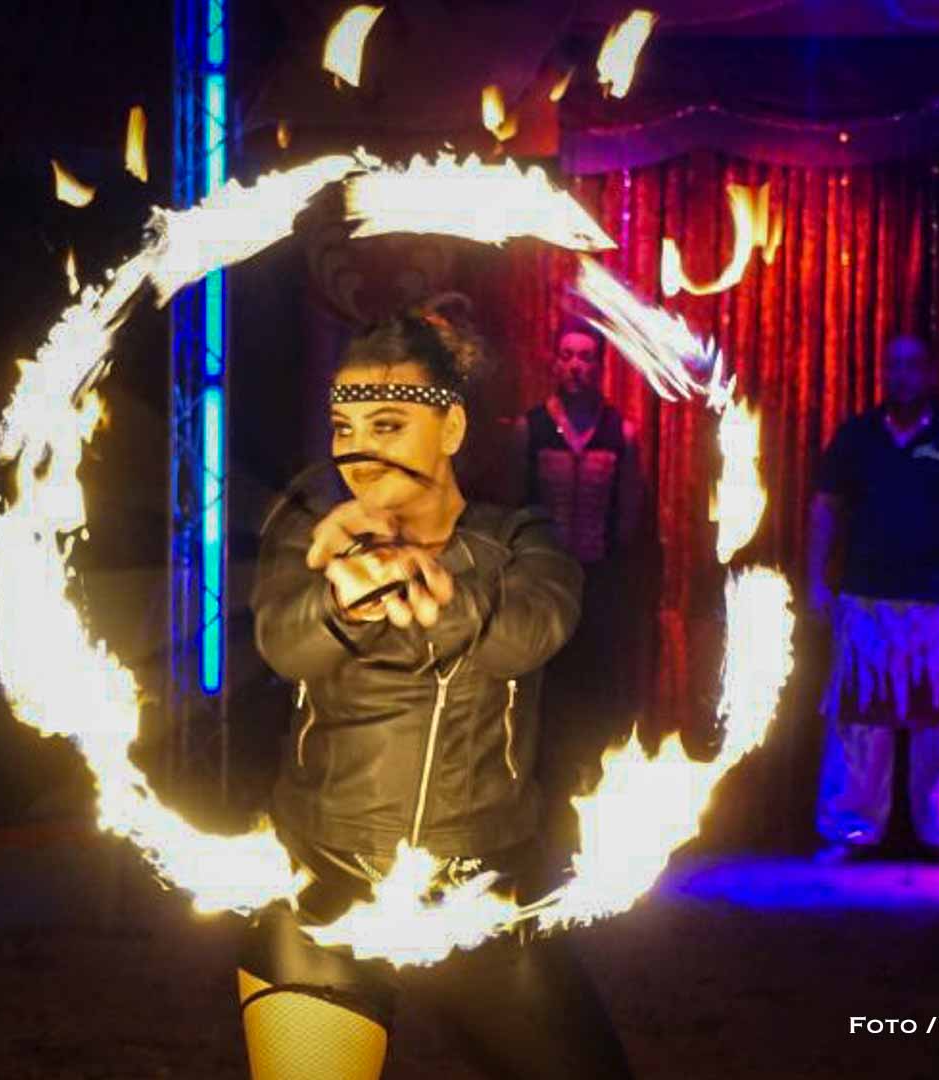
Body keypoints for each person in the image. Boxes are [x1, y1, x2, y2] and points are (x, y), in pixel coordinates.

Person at [244, 301, 634, 1080]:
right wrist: (341, 599)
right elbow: (283, 643)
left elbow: (531, 633)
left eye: (388, 426)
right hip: (324, 888)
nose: (358, 452)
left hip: (479, 900)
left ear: (449, 429)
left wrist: (443, 598)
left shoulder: (521, 538)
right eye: (345, 430)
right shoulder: (310, 534)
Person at [806, 335, 939, 869]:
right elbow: (825, 508)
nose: (903, 376)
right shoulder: (857, 437)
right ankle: (850, 830)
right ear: (883, 373)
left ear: (931, 374)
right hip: (867, 597)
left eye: (914, 366)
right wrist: (816, 580)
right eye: (893, 366)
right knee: (860, 722)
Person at [505, 318, 650, 820]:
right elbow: (514, 505)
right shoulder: (531, 427)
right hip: (540, 582)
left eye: (586, 356)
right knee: (541, 679)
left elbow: (629, 517)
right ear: (554, 360)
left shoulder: (620, 433)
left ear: (600, 365)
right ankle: (537, 780)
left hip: (597, 582)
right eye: (567, 354)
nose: (576, 365)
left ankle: (590, 778)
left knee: (594, 682)